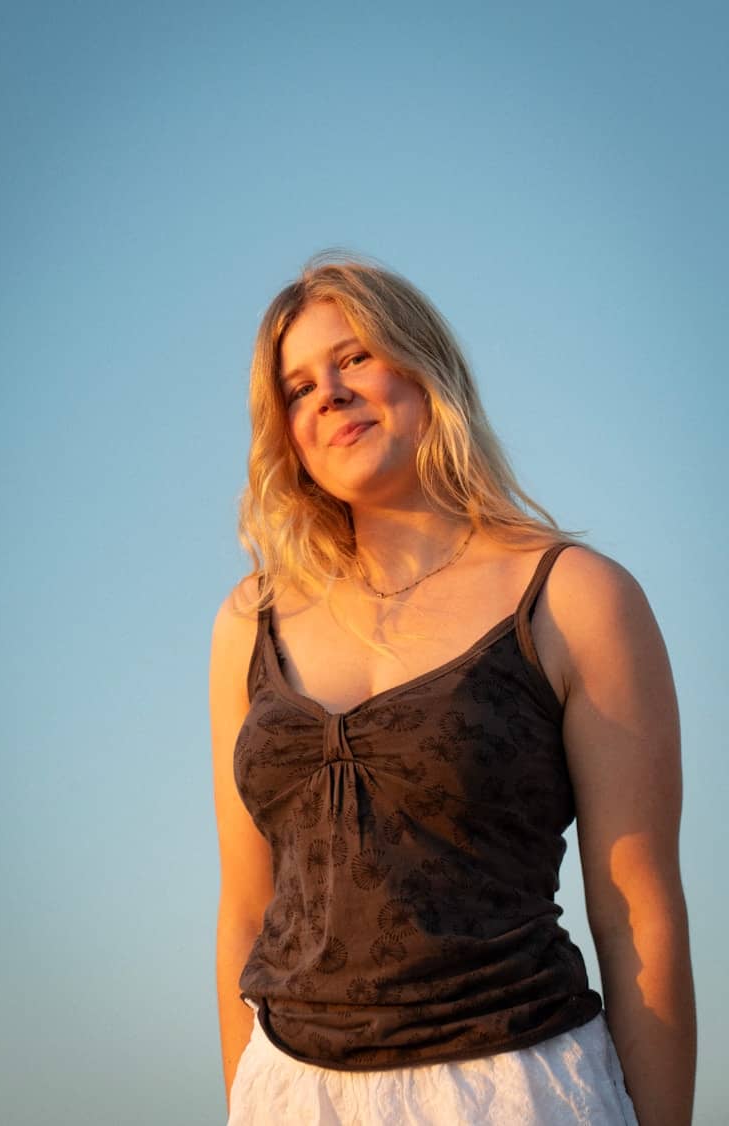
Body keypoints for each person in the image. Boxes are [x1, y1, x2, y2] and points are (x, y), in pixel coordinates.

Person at [210, 257, 696, 1124]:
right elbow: (246, 908)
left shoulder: (577, 597)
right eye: (297, 387)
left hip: (517, 1088)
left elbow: (639, 919)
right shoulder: (249, 620)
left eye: (354, 357)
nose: (328, 394)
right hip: (292, 1092)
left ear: (423, 364)